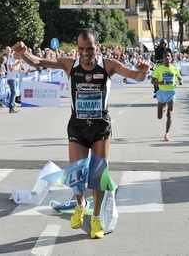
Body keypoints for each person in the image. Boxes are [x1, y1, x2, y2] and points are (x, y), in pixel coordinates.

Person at [12, 28, 149, 239]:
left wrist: (142, 71)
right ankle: (80, 204)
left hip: (100, 127)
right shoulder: (70, 64)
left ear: (98, 47)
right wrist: (24, 54)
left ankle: (96, 219)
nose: (85, 53)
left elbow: (136, 76)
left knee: (98, 176)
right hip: (77, 126)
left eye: (90, 49)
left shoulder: (108, 65)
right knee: (77, 177)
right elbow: (39, 62)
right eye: (81, 48)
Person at [150, 51, 182, 141]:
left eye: (168, 56)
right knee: (159, 116)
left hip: (171, 92)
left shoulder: (174, 68)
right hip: (162, 92)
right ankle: (163, 105)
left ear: (171, 58)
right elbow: (152, 81)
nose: (167, 58)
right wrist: (160, 82)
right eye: (165, 56)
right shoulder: (159, 69)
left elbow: (179, 77)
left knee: (170, 113)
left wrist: (180, 81)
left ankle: (167, 133)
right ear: (163, 59)